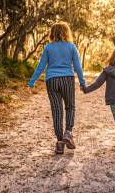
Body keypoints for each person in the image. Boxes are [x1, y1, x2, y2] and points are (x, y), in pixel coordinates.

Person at [28, 21, 86, 154]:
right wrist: (82, 83)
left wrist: (32, 82)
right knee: (70, 106)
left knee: (57, 111)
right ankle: (68, 133)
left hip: (52, 80)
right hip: (67, 79)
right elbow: (78, 67)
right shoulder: (71, 47)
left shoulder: (48, 48)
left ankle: (60, 143)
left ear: (52, 33)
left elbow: (41, 66)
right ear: (66, 33)